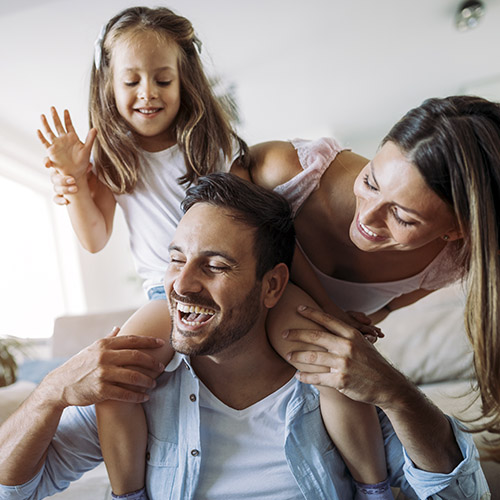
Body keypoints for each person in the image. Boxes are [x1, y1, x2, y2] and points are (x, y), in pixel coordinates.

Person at [38, 6, 391, 499]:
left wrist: (331, 313)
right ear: (108, 87)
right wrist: (75, 181)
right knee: (117, 381)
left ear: (185, 81)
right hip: (166, 293)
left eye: (163, 79)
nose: (147, 94)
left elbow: (265, 236)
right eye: (131, 81)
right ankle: (129, 493)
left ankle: (374, 485)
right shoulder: (111, 160)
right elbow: (94, 238)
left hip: (239, 277)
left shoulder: (211, 144)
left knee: (329, 361)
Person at [0, 173, 490, 499]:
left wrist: (397, 394)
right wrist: (51, 393)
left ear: (273, 284)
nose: (182, 284)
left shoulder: (335, 385)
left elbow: (459, 494)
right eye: (176, 259)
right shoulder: (138, 386)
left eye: (215, 265)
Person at [237, 95, 500, 461]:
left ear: (454, 231)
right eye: (371, 182)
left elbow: (385, 307)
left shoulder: (450, 261)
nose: (368, 219)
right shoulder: (290, 172)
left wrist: (358, 330)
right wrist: (327, 308)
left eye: (403, 218)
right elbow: (225, 196)